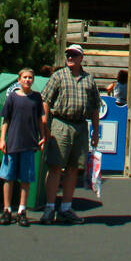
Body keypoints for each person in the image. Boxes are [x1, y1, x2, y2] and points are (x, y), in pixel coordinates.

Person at [41, 44, 100, 225]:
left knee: (74, 168)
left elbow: (95, 107)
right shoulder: (58, 76)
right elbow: (45, 100)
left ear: (81, 58)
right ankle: (49, 208)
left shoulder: (89, 80)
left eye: (74, 55)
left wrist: (95, 132)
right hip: (60, 123)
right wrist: (45, 125)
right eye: (68, 54)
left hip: (80, 126)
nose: (70, 57)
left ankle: (66, 207)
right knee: (55, 166)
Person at [0, 68, 45, 226]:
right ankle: (6, 210)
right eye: (24, 77)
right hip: (12, 142)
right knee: (8, 177)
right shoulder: (12, 97)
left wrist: (43, 136)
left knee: (25, 179)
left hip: (29, 143)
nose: (27, 80)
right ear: (19, 80)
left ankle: (22, 210)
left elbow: (40, 119)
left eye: (30, 77)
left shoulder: (37, 98)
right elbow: (5, 120)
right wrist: (2, 139)